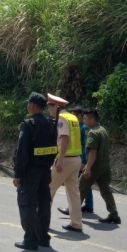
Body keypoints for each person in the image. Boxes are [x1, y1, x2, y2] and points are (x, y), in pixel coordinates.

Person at [13, 93, 58, 250]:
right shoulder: (51, 123)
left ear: (32, 106)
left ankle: (31, 240)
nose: (27, 106)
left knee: (28, 204)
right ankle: (43, 238)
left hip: (30, 172)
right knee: (44, 203)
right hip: (45, 171)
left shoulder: (28, 124)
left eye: (28, 104)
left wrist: (18, 173)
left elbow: (22, 152)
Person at [46, 94, 84, 232]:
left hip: (65, 159)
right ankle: (76, 224)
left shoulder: (61, 118)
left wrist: (60, 159)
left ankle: (42, 221)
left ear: (56, 106)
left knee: (48, 189)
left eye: (49, 106)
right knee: (73, 193)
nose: (48, 109)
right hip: (76, 159)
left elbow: (65, 138)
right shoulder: (73, 117)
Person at [77, 108, 120, 224]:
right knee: (105, 190)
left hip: (95, 166)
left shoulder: (93, 132)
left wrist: (88, 168)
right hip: (105, 166)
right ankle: (114, 214)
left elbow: (93, 152)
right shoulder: (103, 130)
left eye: (85, 118)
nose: (84, 121)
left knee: (80, 188)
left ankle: (74, 215)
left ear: (92, 119)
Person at [57, 106, 94, 215]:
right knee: (83, 182)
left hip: (80, 159)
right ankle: (88, 205)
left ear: (80, 115)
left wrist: (84, 161)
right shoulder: (82, 127)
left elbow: (85, 146)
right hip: (82, 158)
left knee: (76, 185)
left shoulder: (82, 128)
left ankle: (74, 208)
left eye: (74, 115)